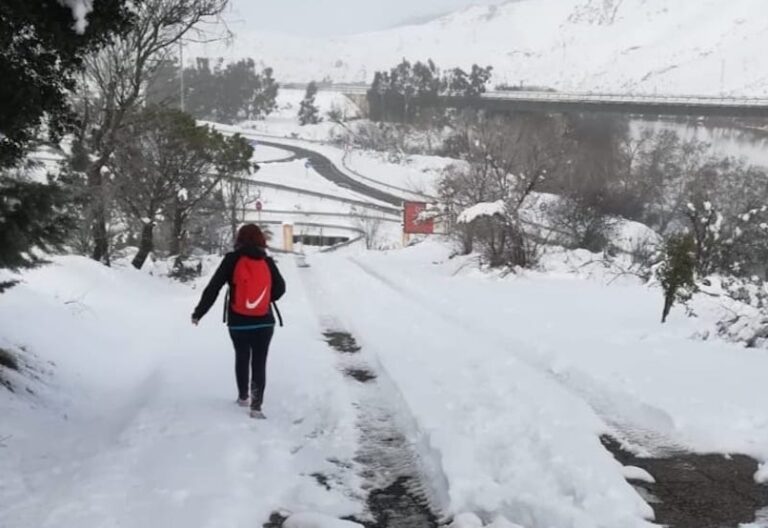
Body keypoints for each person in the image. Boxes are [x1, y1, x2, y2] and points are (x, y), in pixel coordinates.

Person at [191, 224, 286, 419]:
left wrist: (199, 312)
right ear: (261, 239)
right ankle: (256, 407)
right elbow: (281, 288)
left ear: (239, 239)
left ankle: (243, 397)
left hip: (239, 322)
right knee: (259, 362)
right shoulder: (267, 261)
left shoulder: (231, 260)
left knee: (242, 357)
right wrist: (264, 299)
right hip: (264, 321)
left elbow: (213, 288)